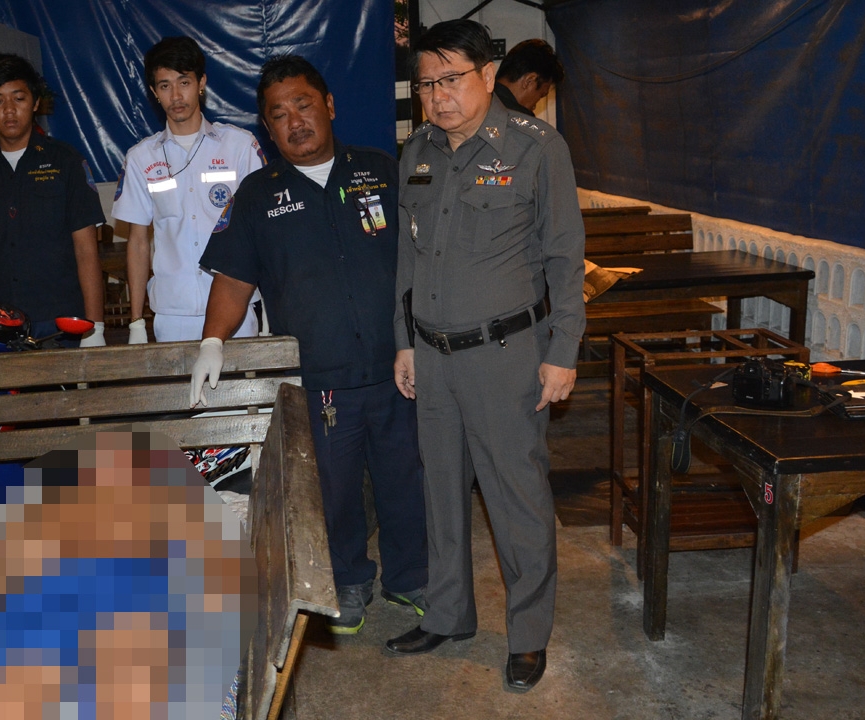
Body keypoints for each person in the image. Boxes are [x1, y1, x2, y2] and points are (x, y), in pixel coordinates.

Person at [190, 55, 428, 634]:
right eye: (279, 114)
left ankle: (412, 578)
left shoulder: (381, 171)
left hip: (399, 366)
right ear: (267, 129)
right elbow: (234, 280)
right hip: (321, 379)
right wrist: (212, 341)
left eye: (303, 105)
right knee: (332, 490)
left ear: (329, 106)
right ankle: (347, 581)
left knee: (407, 479)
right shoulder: (257, 195)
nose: (294, 121)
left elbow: (426, 258)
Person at [384, 20, 584, 695]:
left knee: (516, 499)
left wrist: (563, 352)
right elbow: (407, 258)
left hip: (506, 355)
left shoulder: (536, 148)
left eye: (450, 80)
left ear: (488, 75)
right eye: (425, 85)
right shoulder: (417, 152)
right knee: (440, 493)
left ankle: (527, 635)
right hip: (433, 355)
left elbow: (565, 258)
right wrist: (404, 340)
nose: (437, 96)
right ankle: (448, 615)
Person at [112, 36, 265, 344]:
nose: (176, 95)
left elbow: (264, 231)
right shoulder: (141, 158)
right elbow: (138, 242)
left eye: (184, 82)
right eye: (165, 85)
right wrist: (136, 322)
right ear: (154, 92)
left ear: (201, 83)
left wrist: (272, 305)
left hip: (236, 307)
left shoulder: (240, 146)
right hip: (174, 314)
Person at [0, 54, 107, 347]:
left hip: (61, 321)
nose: (9, 110)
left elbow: (86, 250)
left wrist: (96, 328)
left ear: (35, 102)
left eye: (19, 98)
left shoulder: (66, 161)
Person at [494, 38, 564, 117]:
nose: (534, 107)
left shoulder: (484, 102)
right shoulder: (519, 119)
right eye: (541, 95)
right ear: (529, 81)